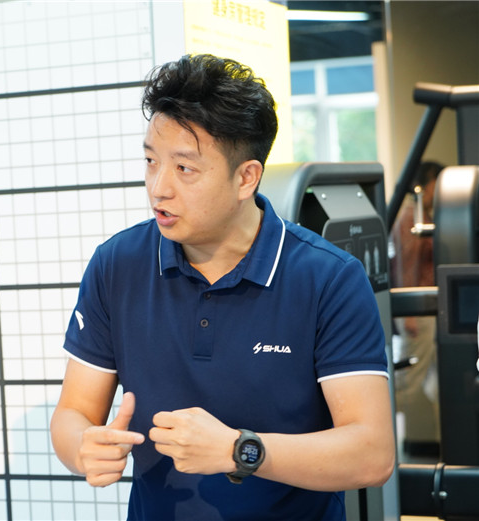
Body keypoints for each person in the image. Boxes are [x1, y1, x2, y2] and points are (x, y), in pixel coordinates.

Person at [50, 54, 394, 520]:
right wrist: (82, 448)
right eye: (151, 161)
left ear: (246, 177)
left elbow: (372, 454)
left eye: (184, 169)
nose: (158, 187)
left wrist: (239, 450)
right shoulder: (118, 264)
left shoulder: (329, 278)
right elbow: (73, 413)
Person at [389, 160, 443, 456]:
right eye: (438, 184)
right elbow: (406, 268)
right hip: (418, 313)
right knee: (407, 383)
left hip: (430, 311)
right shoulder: (411, 217)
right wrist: (408, 315)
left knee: (436, 381)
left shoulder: (424, 215)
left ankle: (443, 445)